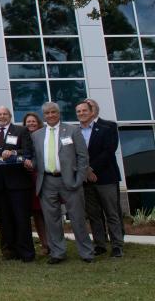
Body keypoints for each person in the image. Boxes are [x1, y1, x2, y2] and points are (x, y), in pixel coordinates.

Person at [27, 102, 94, 263]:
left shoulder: (72, 130)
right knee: (52, 220)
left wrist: (79, 178)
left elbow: (83, 157)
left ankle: (86, 252)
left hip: (69, 180)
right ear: (44, 116)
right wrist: (30, 164)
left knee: (77, 218)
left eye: (53, 112)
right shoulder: (37, 135)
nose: (50, 115)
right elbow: (36, 158)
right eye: (47, 113)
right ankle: (57, 253)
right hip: (47, 181)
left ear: (59, 113)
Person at [0, 105, 35, 262]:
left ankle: (26, 253)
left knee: (21, 219)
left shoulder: (21, 131)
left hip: (18, 184)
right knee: (5, 220)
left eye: (5, 114)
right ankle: (10, 252)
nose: (2, 117)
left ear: (10, 116)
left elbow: (27, 151)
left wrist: (13, 153)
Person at [76, 100, 124, 258]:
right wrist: (85, 172)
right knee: (93, 214)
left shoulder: (106, 128)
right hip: (86, 181)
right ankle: (100, 244)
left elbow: (109, 151)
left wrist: (91, 168)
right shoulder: (74, 132)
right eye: (78, 111)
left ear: (91, 112)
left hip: (105, 178)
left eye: (84, 111)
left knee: (111, 213)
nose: (81, 113)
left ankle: (117, 245)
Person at [23, 111, 50, 254]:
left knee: (49, 211)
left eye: (33, 121)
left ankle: (54, 242)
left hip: (45, 177)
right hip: (29, 178)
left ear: (38, 122)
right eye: (28, 122)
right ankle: (45, 244)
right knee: (37, 212)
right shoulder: (22, 137)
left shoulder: (45, 135)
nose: (31, 123)